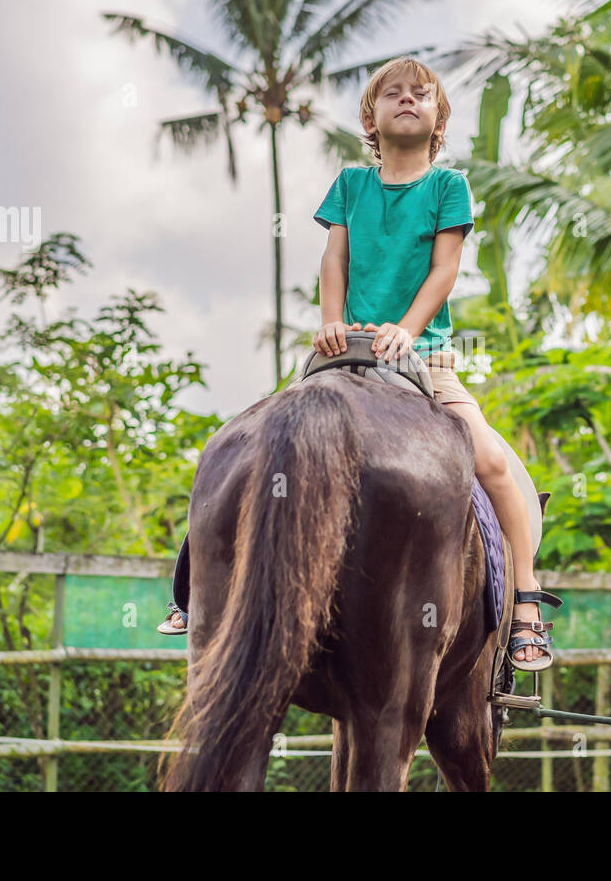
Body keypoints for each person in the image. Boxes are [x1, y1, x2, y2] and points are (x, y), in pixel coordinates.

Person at [159, 56, 559, 670]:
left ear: (437, 117)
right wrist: (330, 323)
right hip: (341, 353)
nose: (407, 100)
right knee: (251, 441)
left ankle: (526, 603)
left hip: (422, 355)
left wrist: (406, 330)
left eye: (420, 95)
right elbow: (333, 261)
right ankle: (197, 588)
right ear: (370, 118)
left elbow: (444, 269)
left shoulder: (448, 188)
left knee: (493, 462)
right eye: (391, 94)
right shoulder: (350, 184)